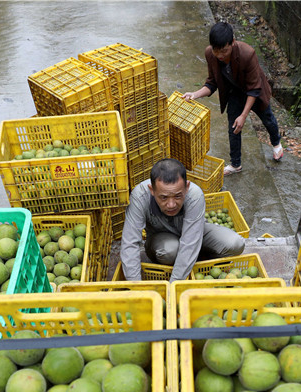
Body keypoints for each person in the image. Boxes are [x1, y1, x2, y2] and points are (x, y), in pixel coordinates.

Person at [120, 158, 245, 282]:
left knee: (235, 244)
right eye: (163, 198)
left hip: (194, 234)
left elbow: (190, 242)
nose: (171, 204)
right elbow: (130, 243)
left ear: (186, 187)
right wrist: (135, 286)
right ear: (152, 190)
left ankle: (195, 262)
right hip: (161, 239)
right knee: (170, 252)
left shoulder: (194, 195)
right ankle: (188, 262)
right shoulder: (140, 196)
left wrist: (173, 286)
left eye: (178, 196)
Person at [183, 21, 283, 176]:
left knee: (267, 118)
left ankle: (276, 142)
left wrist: (244, 116)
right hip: (235, 91)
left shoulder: (247, 53)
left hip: (255, 90)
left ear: (233, 43)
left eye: (224, 51)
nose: (220, 56)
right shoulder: (210, 54)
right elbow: (212, 83)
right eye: (217, 51)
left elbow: (254, 89)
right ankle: (236, 164)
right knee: (234, 126)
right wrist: (194, 95)